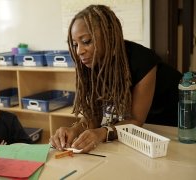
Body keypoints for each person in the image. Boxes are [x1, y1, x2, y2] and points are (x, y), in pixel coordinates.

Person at [49, 5, 182, 153]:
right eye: (75, 44)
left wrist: (101, 133)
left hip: (176, 125)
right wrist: (75, 129)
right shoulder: (92, 65)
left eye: (86, 41)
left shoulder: (142, 61)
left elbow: (135, 120)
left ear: (110, 37)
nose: (79, 51)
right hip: (144, 132)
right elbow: (95, 113)